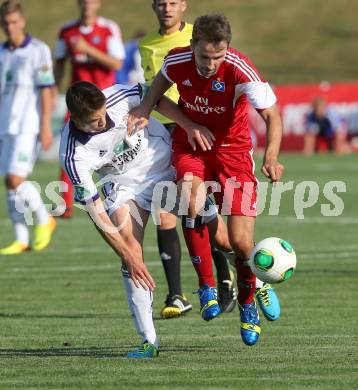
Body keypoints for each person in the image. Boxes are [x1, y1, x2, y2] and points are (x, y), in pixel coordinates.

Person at [128, 14, 284, 346]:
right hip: (192, 146)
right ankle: (207, 287)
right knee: (191, 201)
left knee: (239, 244)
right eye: (204, 57)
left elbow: (272, 115)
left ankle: (248, 302)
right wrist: (184, 123)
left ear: (227, 49)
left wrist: (271, 156)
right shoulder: (177, 60)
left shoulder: (241, 69)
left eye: (218, 56)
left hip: (233, 153)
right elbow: (155, 96)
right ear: (192, 46)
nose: (211, 64)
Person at [59, 80, 216, 357]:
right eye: (95, 122)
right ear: (76, 119)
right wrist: (128, 256)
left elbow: (155, 96)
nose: (104, 122)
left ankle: (252, 277)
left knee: (223, 233)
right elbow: (96, 212)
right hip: (123, 184)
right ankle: (149, 340)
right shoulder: (73, 154)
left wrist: (187, 124)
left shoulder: (120, 94)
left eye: (104, 114)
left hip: (162, 161)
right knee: (130, 250)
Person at [138, 0, 237, 317]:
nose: (167, 9)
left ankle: (226, 280)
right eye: (161, 3)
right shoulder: (147, 45)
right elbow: (155, 91)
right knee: (165, 210)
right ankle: (177, 295)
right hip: (164, 131)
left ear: (184, 5)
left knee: (201, 210)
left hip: (198, 130)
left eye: (173, 2)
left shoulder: (202, 36)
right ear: (153, 6)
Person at [54, 0, 125, 218]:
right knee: (69, 152)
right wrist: (55, 91)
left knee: (117, 149)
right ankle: (65, 204)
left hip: (105, 102)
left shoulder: (108, 29)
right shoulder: (67, 31)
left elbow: (117, 64)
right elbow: (59, 62)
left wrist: (89, 50)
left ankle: (119, 193)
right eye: (83, 1)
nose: (87, 4)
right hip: (78, 103)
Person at [0, 0, 56, 255]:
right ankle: (21, 239)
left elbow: (46, 89)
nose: (10, 27)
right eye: (5, 23)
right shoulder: (2, 52)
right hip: (5, 125)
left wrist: (44, 125)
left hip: (27, 124)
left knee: (16, 178)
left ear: (22, 21)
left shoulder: (38, 50)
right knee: (9, 182)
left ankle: (45, 219)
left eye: (14, 22)